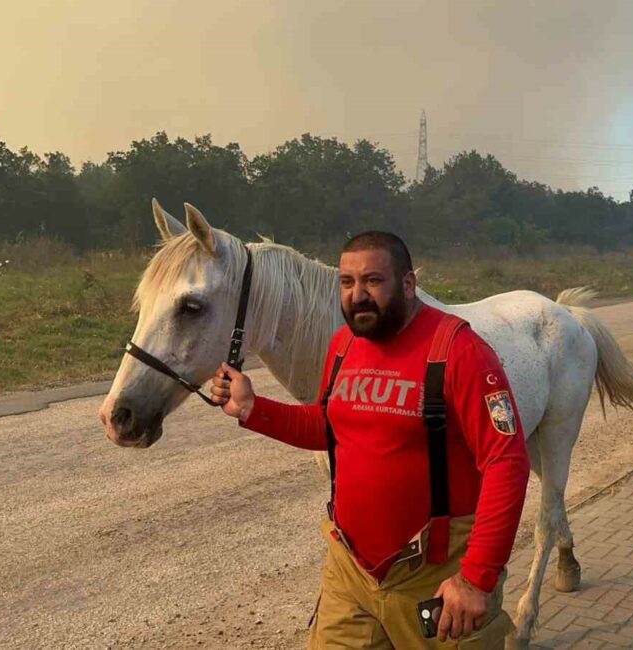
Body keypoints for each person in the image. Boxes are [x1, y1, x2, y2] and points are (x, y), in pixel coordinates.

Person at [210, 231, 530, 648]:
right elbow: (330, 427)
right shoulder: (344, 346)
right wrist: (254, 408)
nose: (358, 295)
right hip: (351, 571)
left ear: (409, 284)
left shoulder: (460, 350)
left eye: (373, 281)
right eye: (347, 283)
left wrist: (476, 578)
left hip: (434, 576)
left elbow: (507, 461)